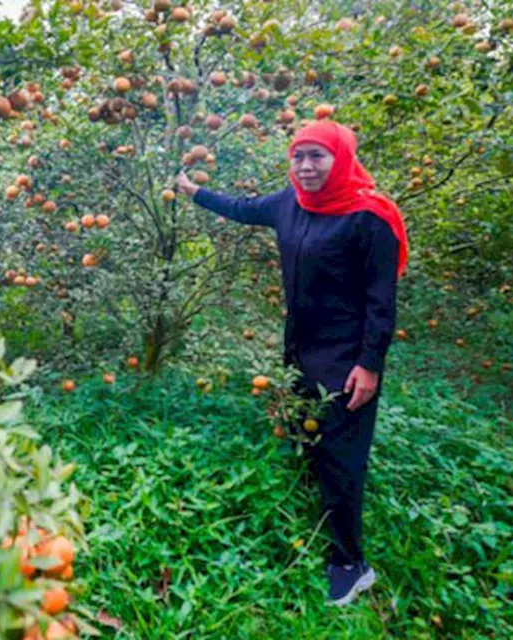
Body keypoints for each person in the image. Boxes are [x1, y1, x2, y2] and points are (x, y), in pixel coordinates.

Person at [176, 120, 409, 607]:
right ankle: (315, 496)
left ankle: (350, 563)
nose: (305, 167)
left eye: (317, 157)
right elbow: (241, 209)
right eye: (298, 156)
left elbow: (381, 302)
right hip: (300, 344)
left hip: (347, 356)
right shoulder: (291, 203)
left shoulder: (370, 217)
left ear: (340, 157)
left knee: (344, 456)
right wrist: (195, 192)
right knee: (308, 427)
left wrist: (369, 364)